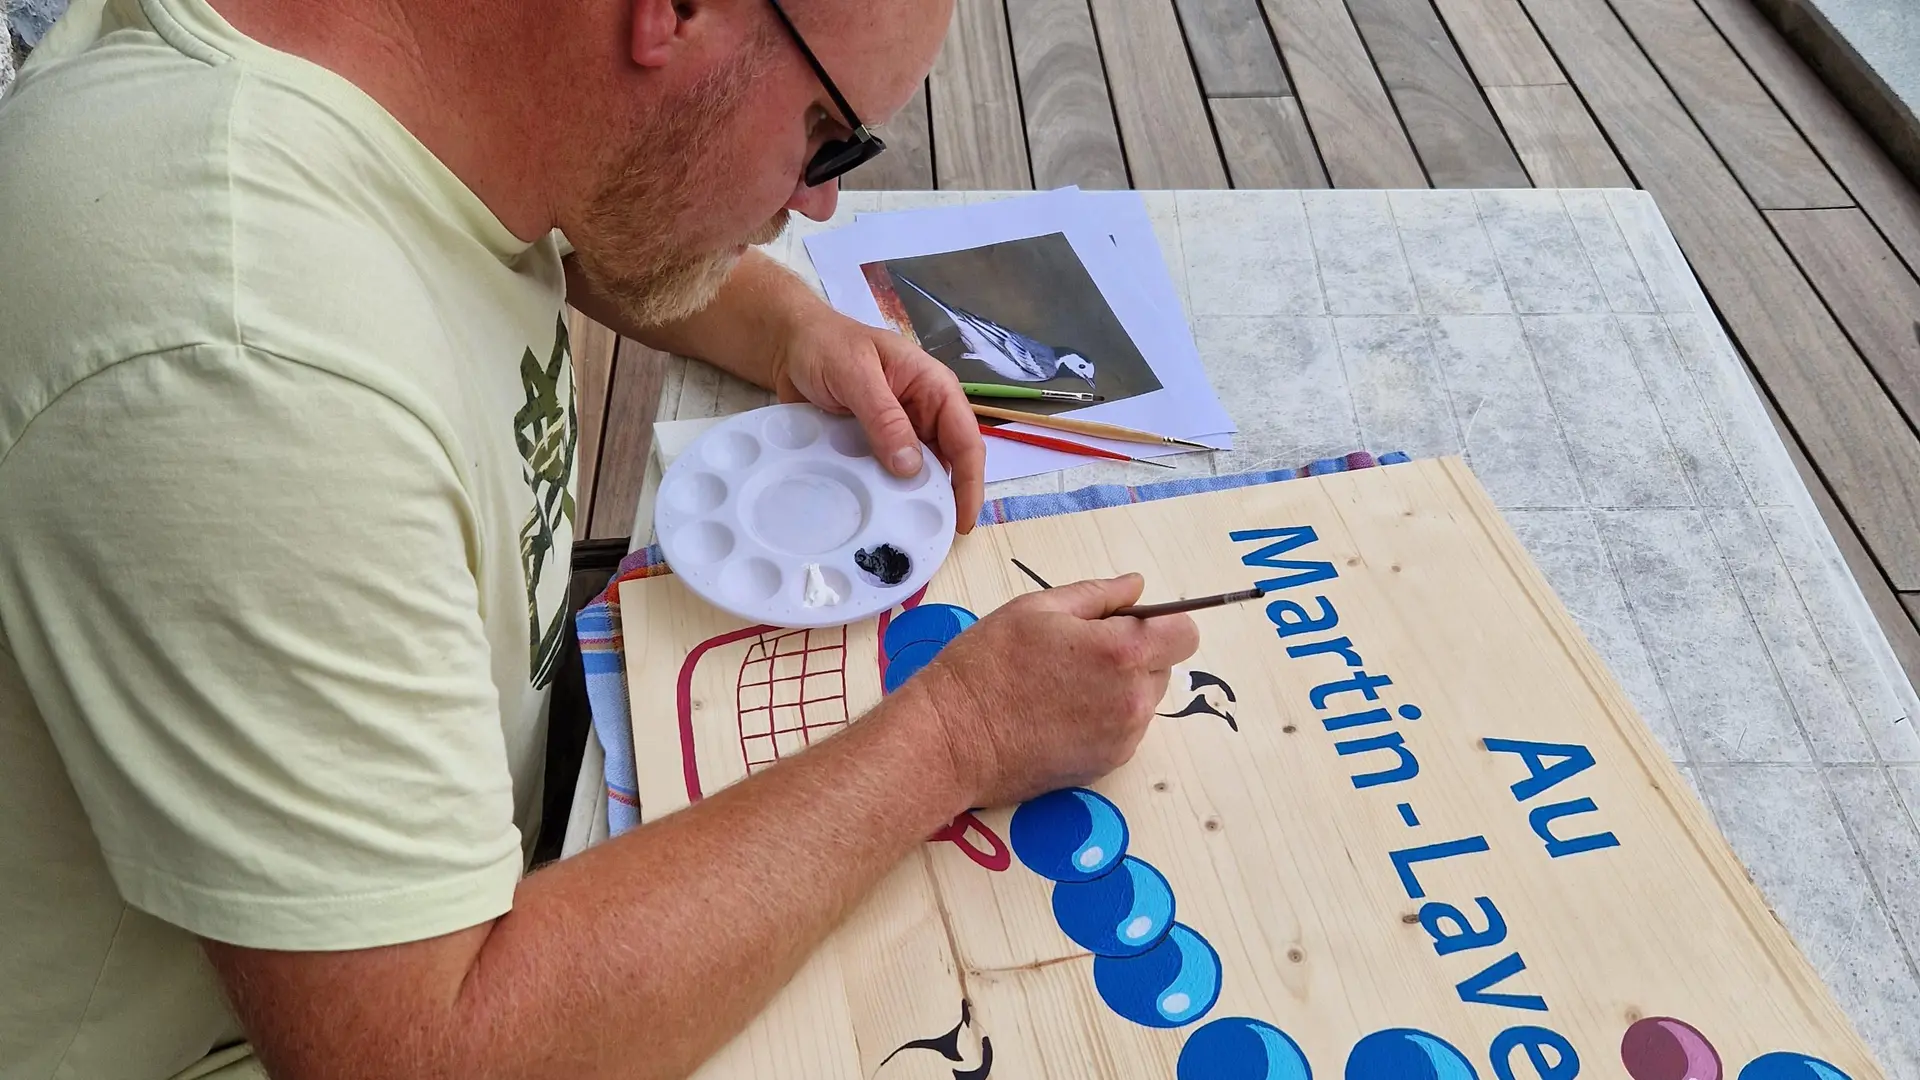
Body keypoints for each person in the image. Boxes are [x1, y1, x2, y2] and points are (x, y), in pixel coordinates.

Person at [0, 0, 1201, 1077]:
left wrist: (789, 325)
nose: (819, 201)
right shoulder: (247, 365)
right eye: (827, 135)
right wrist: (961, 733)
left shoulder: (408, 52)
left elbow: (564, 180)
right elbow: (431, 1051)